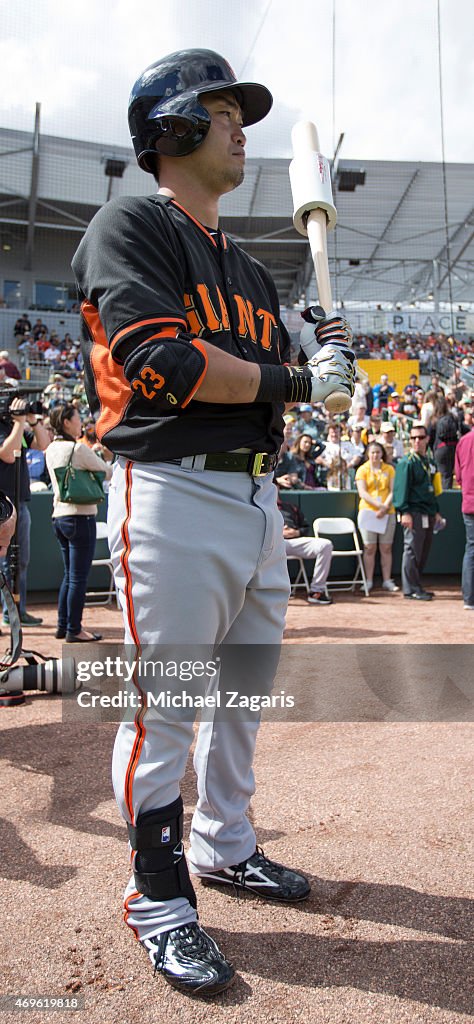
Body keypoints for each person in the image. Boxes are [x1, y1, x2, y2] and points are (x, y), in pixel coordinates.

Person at [71, 48, 356, 997]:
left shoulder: (249, 270)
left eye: (238, 112)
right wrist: (293, 376)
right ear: (173, 132)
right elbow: (167, 365)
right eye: (222, 111)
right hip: (171, 491)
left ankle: (226, 843)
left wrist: (325, 352)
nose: (242, 127)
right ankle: (158, 895)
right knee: (168, 704)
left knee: (243, 700)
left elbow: (281, 377)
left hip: (256, 496)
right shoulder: (131, 225)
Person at [45, 404, 113, 642]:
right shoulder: (76, 449)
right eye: (76, 418)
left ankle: (63, 626)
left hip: (59, 516)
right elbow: (106, 471)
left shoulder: (50, 448)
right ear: (66, 422)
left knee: (69, 575)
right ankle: (74, 629)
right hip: (80, 516)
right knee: (78, 577)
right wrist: (100, 454)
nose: (80, 422)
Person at [0, 395, 50, 626]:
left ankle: (18, 610)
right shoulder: (6, 427)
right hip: (3, 503)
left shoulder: (16, 426)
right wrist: (19, 423)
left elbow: (43, 445)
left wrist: (32, 420)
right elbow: (7, 454)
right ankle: (9, 613)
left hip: (20, 502)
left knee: (21, 561)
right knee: (3, 561)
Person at [393, 424, 444, 601]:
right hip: (413, 511)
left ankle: (417, 585)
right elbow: (400, 490)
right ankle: (410, 589)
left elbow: (431, 491)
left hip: (427, 511)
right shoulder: (406, 462)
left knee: (422, 551)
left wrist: (435, 511)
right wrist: (404, 511)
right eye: (413, 438)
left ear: (427, 439)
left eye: (421, 437)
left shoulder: (428, 462)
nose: (417, 441)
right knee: (412, 550)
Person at [355, 441, 398, 592]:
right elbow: (363, 493)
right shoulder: (362, 470)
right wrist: (380, 507)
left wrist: (385, 507)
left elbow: (393, 490)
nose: (375, 455)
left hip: (388, 512)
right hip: (369, 512)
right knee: (369, 547)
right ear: (368, 454)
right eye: (372, 452)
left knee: (386, 547)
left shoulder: (389, 469)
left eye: (378, 452)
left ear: (382, 454)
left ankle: (387, 580)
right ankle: (368, 580)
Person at [278, 496, 333, 604]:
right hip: (274, 542)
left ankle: (316, 591)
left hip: (296, 541)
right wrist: (278, 532)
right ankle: (274, 593)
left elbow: (305, 528)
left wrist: (297, 532)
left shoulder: (291, 507)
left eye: (275, 486)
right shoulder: (261, 507)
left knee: (326, 545)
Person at [454, 427, 474, 610]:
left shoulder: (464, 440)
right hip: (469, 501)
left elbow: (458, 476)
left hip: (469, 502)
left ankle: (469, 599)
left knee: (471, 549)